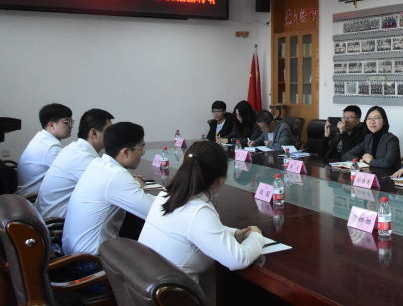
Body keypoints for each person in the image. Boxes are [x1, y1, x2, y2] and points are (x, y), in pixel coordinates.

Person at [138, 141, 267, 282]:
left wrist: (233, 233)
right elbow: (238, 260)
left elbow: (192, 227)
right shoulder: (198, 211)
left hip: (143, 281)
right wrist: (256, 236)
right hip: (172, 290)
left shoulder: (166, 195)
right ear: (219, 180)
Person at [62, 122, 155, 255]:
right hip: (89, 260)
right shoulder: (116, 175)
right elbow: (153, 211)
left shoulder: (98, 164)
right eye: (141, 148)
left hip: (73, 251)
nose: (142, 153)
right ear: (125, 152)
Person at [36, 108, 113, 219]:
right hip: (56, 223)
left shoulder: (75, 148)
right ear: (94, 133)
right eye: (109, 132)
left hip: (50, 214)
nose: (112, 136)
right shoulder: (83, 157)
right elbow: (110, 187)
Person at [17, 103, 73, 198]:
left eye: (71, 122)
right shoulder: (50, 146)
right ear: (51, 125)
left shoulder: (42, 139)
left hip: (29, 196)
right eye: (66, 122)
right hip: (31, 199)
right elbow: (70, 174)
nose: (70, 126)